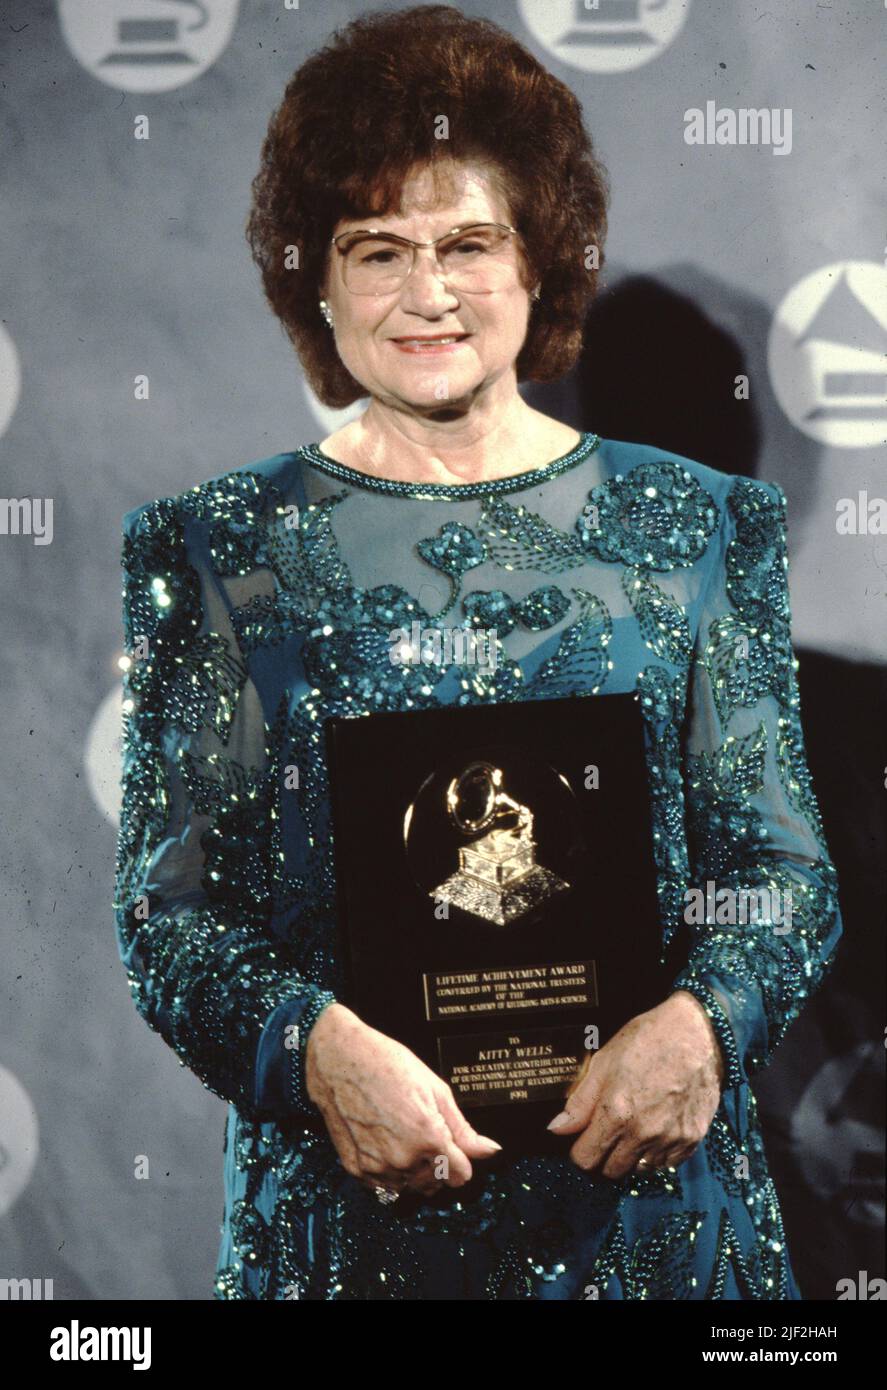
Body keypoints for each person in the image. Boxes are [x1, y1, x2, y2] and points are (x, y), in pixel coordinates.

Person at [113, 5, 843, 1300]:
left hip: (658, 1230)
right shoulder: (218, 549)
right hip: (349, 1228)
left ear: (542, 259)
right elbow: (169, 916)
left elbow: (781, 869)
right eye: (377, 249)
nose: (428, 292)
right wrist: (318, 1049)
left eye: (469, 243)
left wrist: (702, 1025)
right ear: (316, 280)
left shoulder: (698, 528)